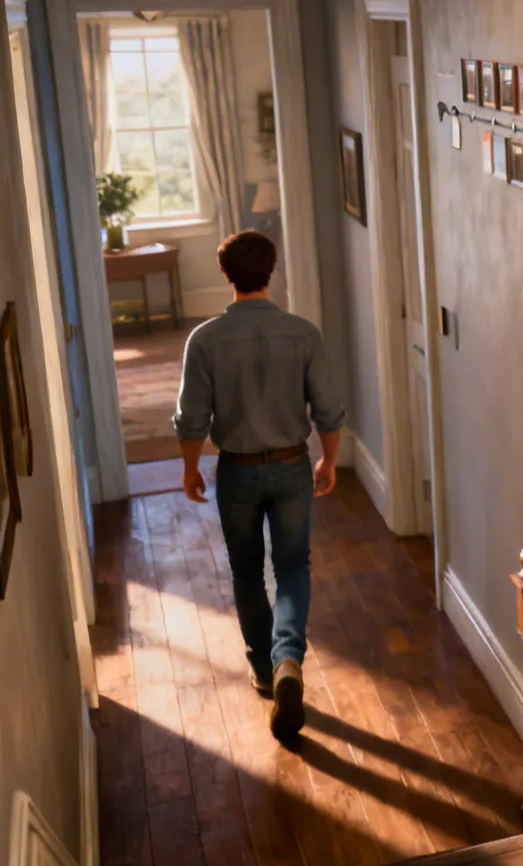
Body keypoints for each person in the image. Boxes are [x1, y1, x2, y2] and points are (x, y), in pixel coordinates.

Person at [175, 231, 344, 744]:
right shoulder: (303, 333)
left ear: (226, 274)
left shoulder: (204, 340)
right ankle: (288, 656)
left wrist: (189, 469)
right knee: (292, 567)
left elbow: (191, 419)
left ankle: (266, 671)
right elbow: (328, 409)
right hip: (292, 465)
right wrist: (329, 460)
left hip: (238, 470)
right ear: (271, 270)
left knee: (247, 569)